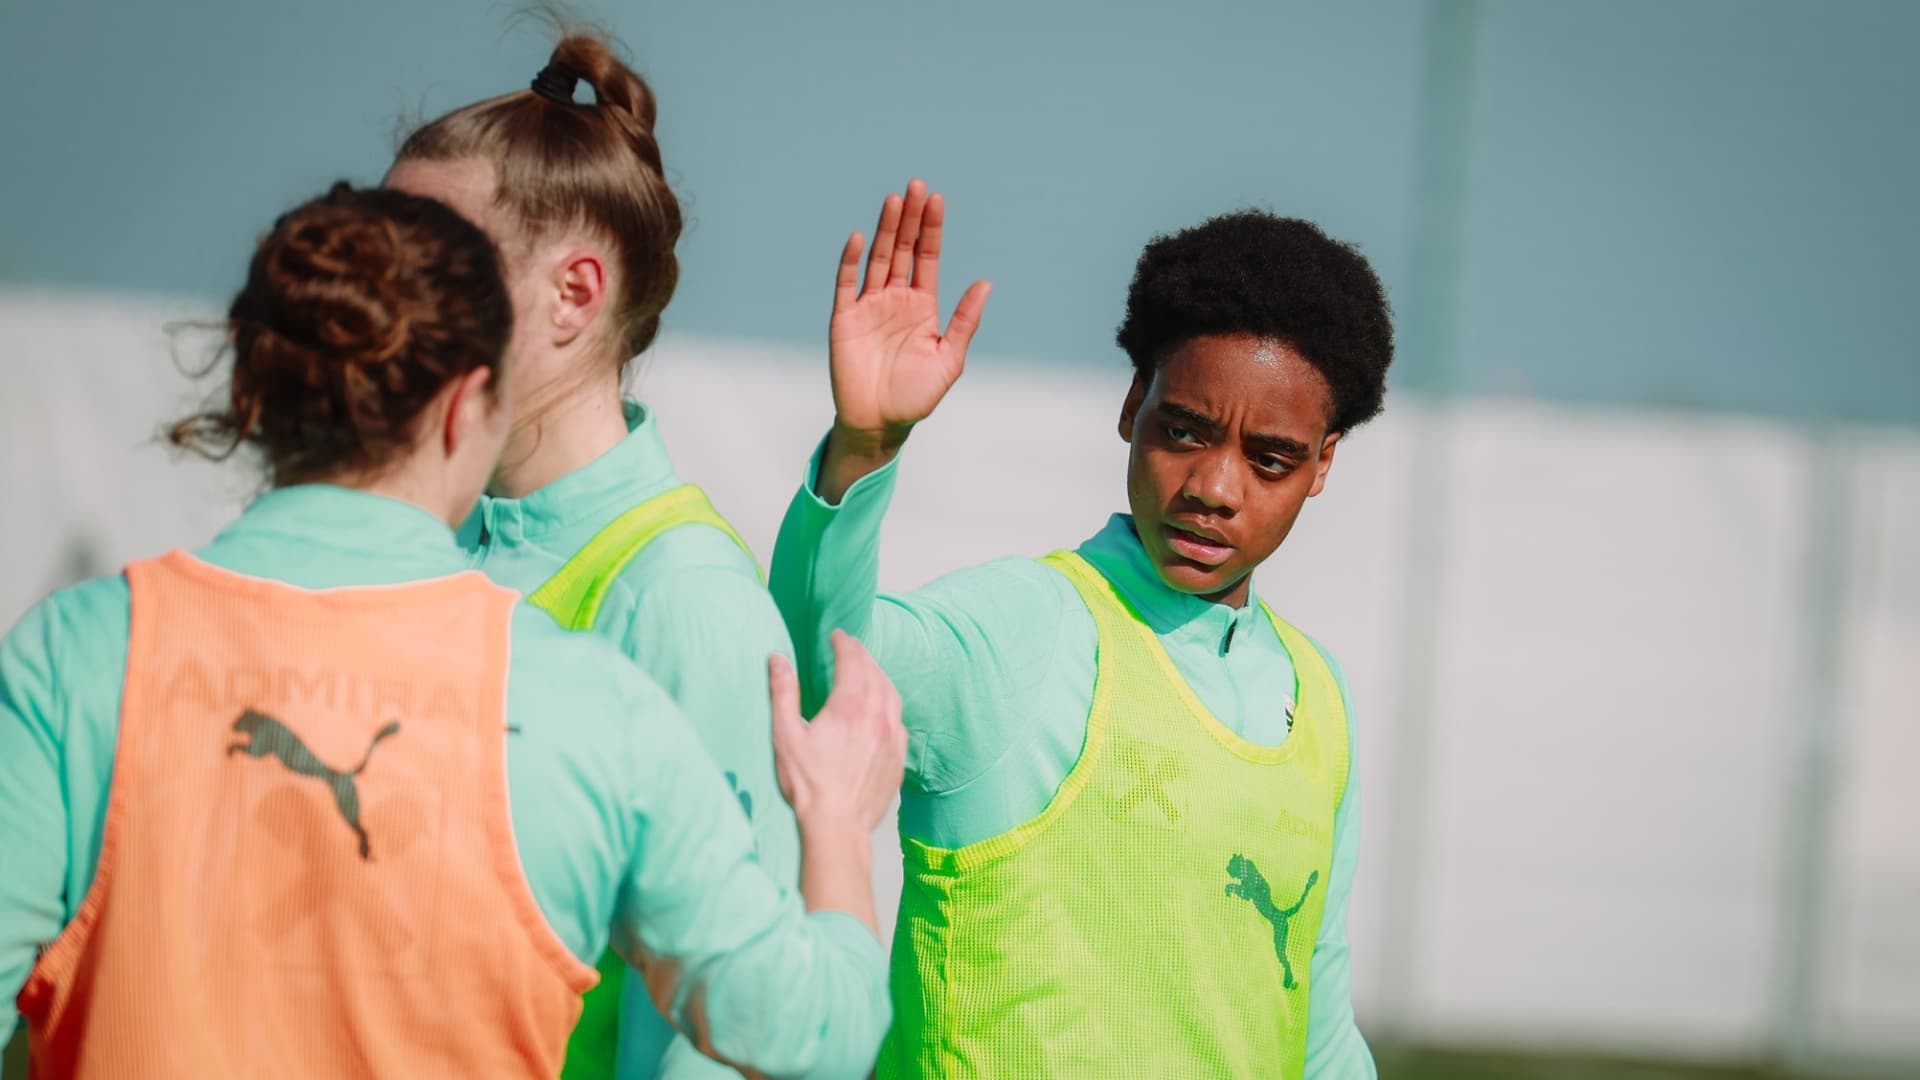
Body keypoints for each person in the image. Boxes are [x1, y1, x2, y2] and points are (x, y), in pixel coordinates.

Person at [0, 183, 902, 1079]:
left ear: (250, 392)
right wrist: (834, 825)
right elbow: (809, 1036)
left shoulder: (73, 655)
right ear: (471, 401)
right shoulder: (591, 706)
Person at [770, 181, 1390, 1078]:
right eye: (1184, 430)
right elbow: (822, 672)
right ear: (1133, 404)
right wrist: (863, 447)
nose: (1216, 487)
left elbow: (1320, 1028)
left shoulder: (1318, 699)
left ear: (1322, 463)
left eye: (1270, 460)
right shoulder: (1028, 625)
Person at [382, 34, 801, 1078]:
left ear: (574, 295)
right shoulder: (412, 536)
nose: (376, 301)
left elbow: (719, 1037)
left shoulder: (686, 601)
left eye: (425, 263)